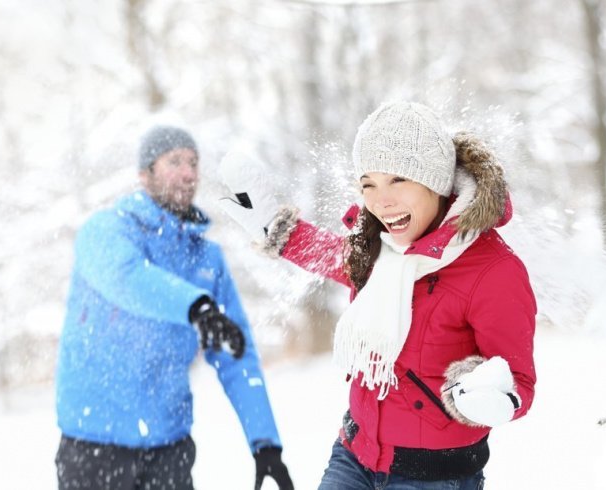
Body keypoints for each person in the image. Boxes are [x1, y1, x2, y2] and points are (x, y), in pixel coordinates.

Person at [219, 101, 537, 489]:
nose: (380, 201)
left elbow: (519, 382)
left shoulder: (493, 271)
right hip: (355, 455)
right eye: (369, 183)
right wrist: (275, 228)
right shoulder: (377, 246)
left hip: (433, 477)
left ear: (435, 181)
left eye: (397, 180)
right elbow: (333, 256)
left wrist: (486, 395)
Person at [54, 125, 294, 490]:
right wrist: (195, 306)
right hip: (95, 448)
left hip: (169, 449)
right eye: (175, 161)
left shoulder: (207, 259)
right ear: (144, 174)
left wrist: (265, 444)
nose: (188, 173)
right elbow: (127, 278)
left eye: (194, 162)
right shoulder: (103, 231)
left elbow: (236, 354)